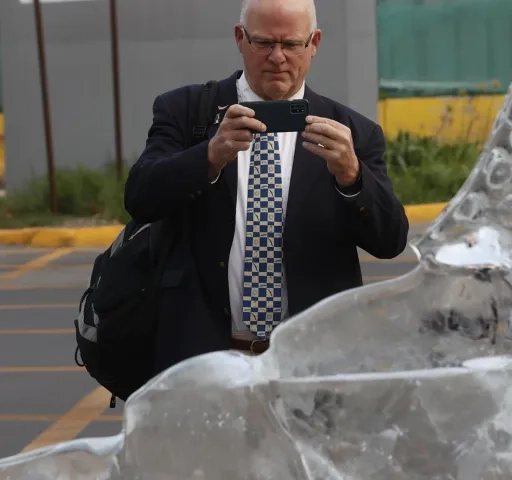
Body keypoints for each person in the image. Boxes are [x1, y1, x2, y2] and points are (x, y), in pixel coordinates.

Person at [123, 0, 409, 374]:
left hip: (311, 363)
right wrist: (208, 156)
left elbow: (390, 242)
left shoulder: (352, 132)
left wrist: (353, 177)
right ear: (240, 38)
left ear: (314, 43)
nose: (277, 57)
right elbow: (140, 198)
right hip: (204, 361)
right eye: (264, 43)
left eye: (291, 44)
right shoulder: (187, 111)